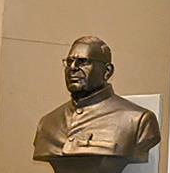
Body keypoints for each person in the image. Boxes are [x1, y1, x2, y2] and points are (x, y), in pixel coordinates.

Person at [33, 36, 161, 162]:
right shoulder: (47, 123)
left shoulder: (138, 121)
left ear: (107, 71)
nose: (72, 68)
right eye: (69, 62)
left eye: (83, 62)